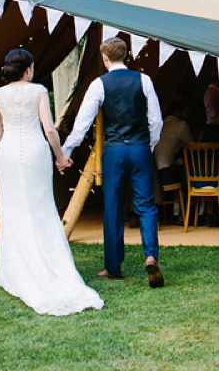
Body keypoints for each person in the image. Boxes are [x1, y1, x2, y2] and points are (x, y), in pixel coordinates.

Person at [0, 48, 103, 315]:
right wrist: (61, 155)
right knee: (40, 207)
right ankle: (47, 264)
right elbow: (49, 128)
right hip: (34, 152)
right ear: (28, 69)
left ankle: (16, 270)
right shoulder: (38, 91)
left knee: (14, 209)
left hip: (6, 154)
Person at [61, 37, 165, 288]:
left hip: (115, 151)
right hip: (140, 149)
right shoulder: (144, 80)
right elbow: (156, 121)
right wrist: (147, 145)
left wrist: (66, 150)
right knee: (146, 206)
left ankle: (113, 266)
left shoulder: (99, 84)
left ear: (105, 58)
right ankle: (150, 255)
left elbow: (82, 124)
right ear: (126, 55)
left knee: (113, 207)